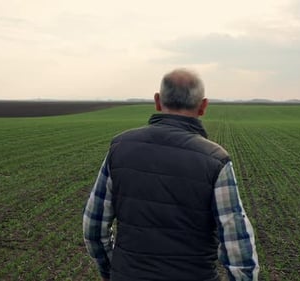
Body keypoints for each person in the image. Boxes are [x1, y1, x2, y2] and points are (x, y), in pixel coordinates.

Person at [83, 68, 259, 281]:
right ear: (203, 106)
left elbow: (93, 228)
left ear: (157, 101)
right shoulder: (216, 160)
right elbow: (238, 246)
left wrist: (112, 272)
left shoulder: (120, 148)